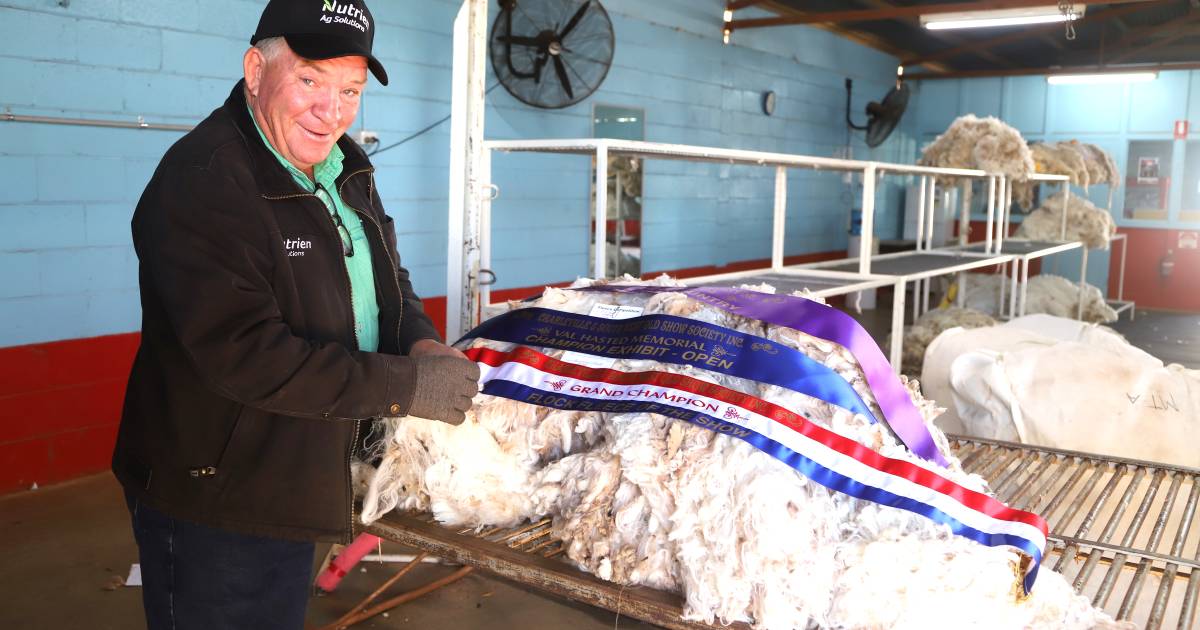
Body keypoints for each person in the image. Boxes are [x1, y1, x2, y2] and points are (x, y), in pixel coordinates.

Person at [111, 1, 479, 627]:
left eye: (350, 90)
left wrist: (417, 341)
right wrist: (405, 387)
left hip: (290, 470)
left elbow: (387, 277)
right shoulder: (206, 181)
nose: (330, 109)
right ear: (255, 70)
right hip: (219, 492)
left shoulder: (341, 169)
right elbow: (246, 354)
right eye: (309, 79)